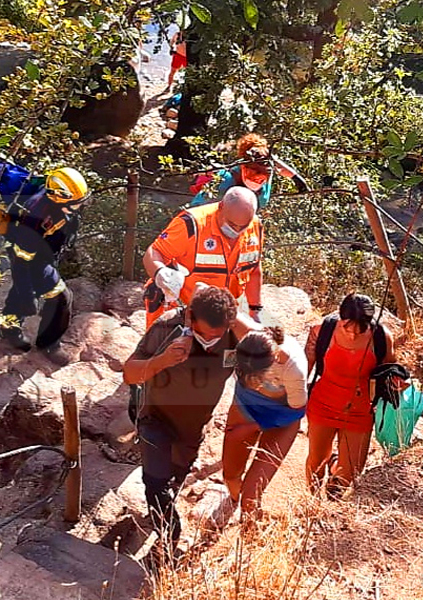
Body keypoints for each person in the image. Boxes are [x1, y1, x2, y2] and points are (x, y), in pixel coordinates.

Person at [123, 285, 260, 547]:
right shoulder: (168, 328)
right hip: (156, 417)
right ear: (190, 319)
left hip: (193, 427)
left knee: (175, 478)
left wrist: (236, 322)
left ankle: (165, 507)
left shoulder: (234, 335)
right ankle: (169, 537)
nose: (208, 340)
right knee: (155, 482)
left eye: (215, 336)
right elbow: (129, 373)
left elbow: (268, 346)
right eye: (201, 333)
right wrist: (162, 361)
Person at [0, 167, 89, 364]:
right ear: (57, 197)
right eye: (75, 204)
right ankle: (49, 344)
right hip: (31, 257)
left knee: (21, 291)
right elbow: (21, 261)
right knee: (61, 298)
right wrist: (28, 296)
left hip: (40, 252)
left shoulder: (57, 205)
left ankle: (8, 328)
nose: (79, 207)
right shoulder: (36, 217)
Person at [303, 293, 396, 496]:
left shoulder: (381, 337)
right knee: (317, 462)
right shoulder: (322, 331)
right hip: (323, 404)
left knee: (350, 474)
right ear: (340, 318)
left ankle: (333, 499)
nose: (353, 334)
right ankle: (313, 505)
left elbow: (389, 371)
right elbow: (305, 368)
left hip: (360, 410)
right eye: (347, 327)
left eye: (360, 329)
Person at [142, 186, 264, 329]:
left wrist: (255, 310)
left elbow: (253, 269)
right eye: (231, 224)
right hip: (178, 309)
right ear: (221, 206)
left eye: (243, 226)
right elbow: (154, 252)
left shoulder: (255, 226)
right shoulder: (191, 224)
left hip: (221, 314)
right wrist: (160, 272)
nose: (236, 230)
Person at [221, 325, 308, 515]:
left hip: (283, 417)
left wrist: (253, 428)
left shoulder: (293, 369)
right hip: (245, 405)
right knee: (230, 476)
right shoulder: (245, 344)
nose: (253, 382)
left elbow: (298, 410)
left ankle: (249, 535)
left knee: (251, 497)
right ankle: (234, 500)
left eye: (257, 377)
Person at [189, 133, 308, 210]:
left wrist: (297, 179)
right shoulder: (225, 179)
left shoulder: (267, 170)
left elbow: (276, 163)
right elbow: (197, 206)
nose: (257, 176)